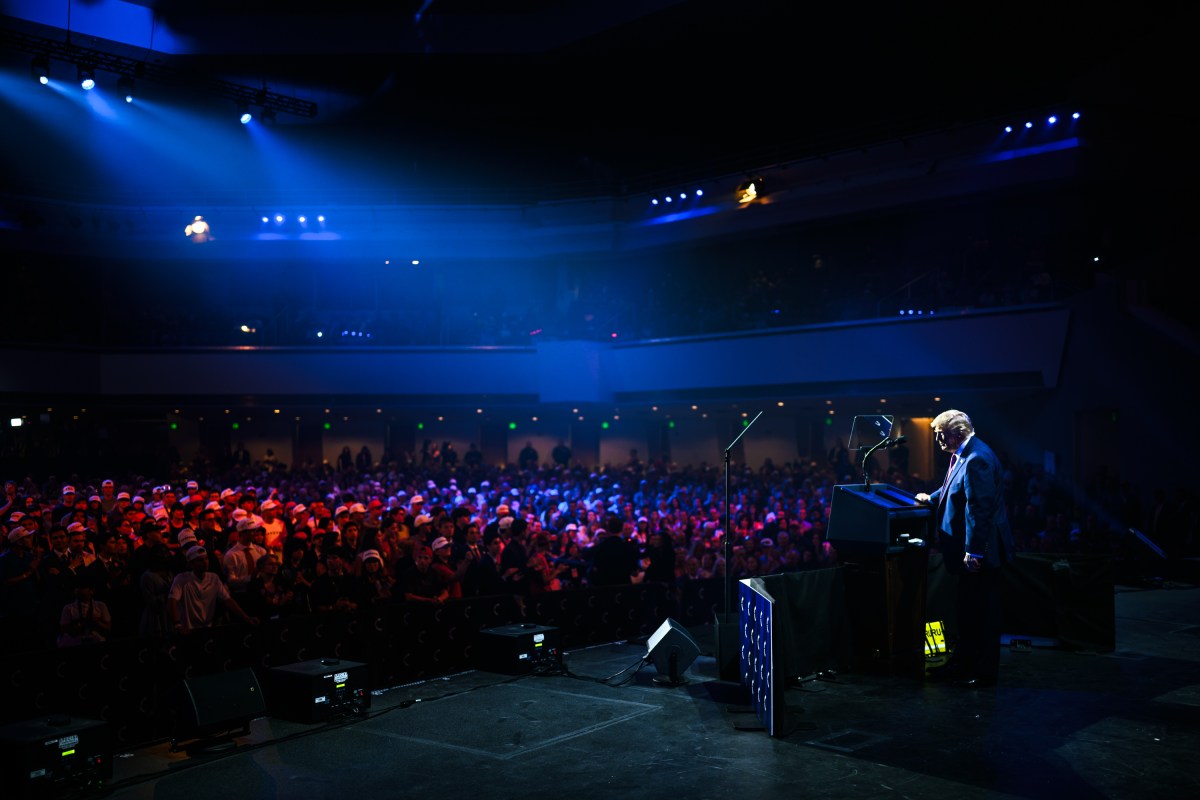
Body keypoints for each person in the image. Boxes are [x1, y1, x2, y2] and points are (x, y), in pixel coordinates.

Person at [915, 409, 1015, 688]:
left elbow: (979, 509)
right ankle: (964, 664)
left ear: (957, 434)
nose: (938, 440)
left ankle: (981, 673)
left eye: (940, 435)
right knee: (969, 610)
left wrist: (974, 551)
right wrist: (932, 498)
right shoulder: (966, 454)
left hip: (980, 554)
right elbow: (955, 487)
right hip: (972, 552)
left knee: (982, 613)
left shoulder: (976, 459)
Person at [167, 545, 259, 633]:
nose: (205, 562)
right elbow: (172, 601)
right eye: (200, 560)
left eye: (206, 558)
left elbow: (228, 600)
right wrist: (177, 624)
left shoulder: (213, 578)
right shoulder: (181, 579)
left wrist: (246, 617)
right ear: (191, 564)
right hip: (189, 630)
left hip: (208, 628)